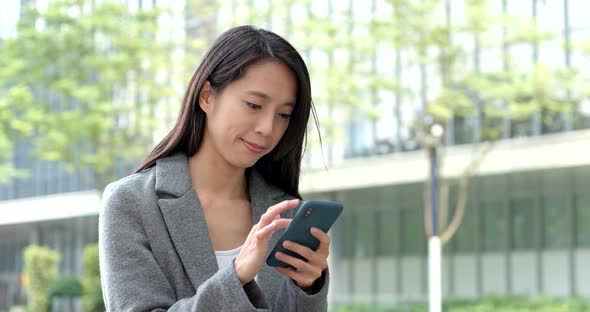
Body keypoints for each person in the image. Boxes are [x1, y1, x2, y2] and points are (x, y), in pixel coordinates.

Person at [99, 25, 330, 311]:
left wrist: (307, 288)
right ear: (207, 96)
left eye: (283, 115)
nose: (267, 128)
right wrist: (236, 277)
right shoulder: (131, 202)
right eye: (254, 105)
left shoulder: (285, 213)